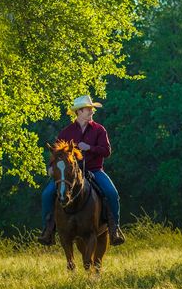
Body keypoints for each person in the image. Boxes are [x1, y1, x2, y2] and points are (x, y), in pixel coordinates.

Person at [38, 94, 125, 246]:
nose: (92, 112)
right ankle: (48, 230)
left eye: (91, 109)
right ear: (79, 112)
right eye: (88, 109)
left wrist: (90, 148)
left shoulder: (99, 130)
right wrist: (51, 168)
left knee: (112, 193)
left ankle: (114, 229)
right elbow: (56, 154)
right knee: (46, 194)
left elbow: (107, 151)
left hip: (94, 170)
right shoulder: (66, 132)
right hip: (69, 173)